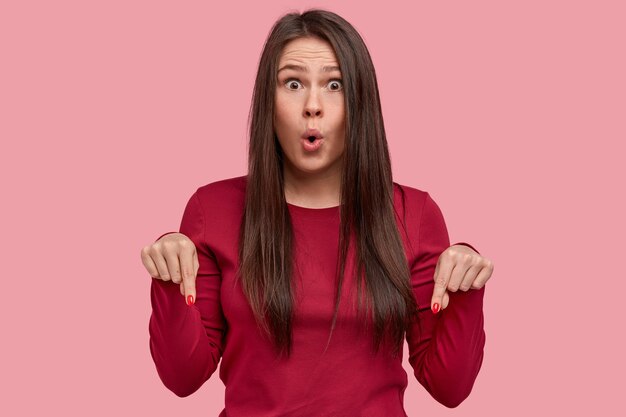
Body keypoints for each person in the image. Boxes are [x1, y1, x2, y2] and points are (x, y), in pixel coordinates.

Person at [141, 8, 493, 416]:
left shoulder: (414, 214)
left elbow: (450, 387)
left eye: (334, 85)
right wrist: (169, 276)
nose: (313, 105)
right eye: (293, 83)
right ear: (267, 102)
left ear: (360, 101)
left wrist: (464, 288)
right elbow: (181, 378)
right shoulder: (211, 210)